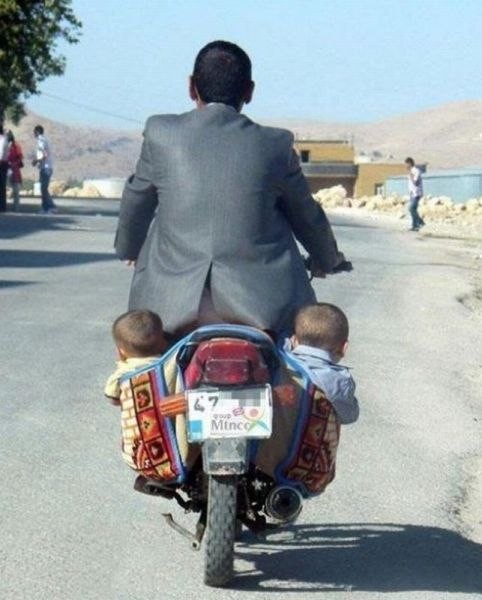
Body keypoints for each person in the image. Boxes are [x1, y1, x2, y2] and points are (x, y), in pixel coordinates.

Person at [115, 40, 348, 340]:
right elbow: (305, 213)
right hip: (262, 310)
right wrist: (327, 258)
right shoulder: (275, 144)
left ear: (191, 87)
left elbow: (137, 199)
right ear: (249, 91)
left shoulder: (161, 133)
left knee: (139, 362)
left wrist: (129, 249)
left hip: (169, 310)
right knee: (300, 358)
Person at [287, 302, 359, 425]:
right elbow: (349, 416)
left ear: (294, 340)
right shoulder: (340, 381)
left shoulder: (279, 356)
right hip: (304, 436)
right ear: (344, 348)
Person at [104, 309, 167, 405]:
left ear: (120, 352)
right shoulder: (170, 362)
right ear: (163, 343)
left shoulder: (120, 375)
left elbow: (114, 400)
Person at [32, 124, 57, 214]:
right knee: (44, 189)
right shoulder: (44, 140)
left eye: (34, 132)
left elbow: (44, 154)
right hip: (45, 167)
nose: (34, 134)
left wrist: (36, 161)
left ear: (37, 131)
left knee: (43, 188)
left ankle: (49, 208)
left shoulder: (41, 140)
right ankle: (48, 207)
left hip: (46, 168)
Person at [405, 157, 424, 231]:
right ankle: (415, 226)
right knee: (413, 210)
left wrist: (411, 175)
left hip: (417, 193)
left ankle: (420, 222)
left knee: (411, 209)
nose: (406, 166)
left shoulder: (416, 171)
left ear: (410, 163)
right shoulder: (411, 171)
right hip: (412, 194)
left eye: (406, 164)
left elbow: (416, 182)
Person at [7, 131, 23, 212]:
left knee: (16, 190)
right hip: (6, 168)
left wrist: (14, 164)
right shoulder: (5, 145)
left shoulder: (16, 146)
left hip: (14, 169)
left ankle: (16, 208)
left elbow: (20, 157)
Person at [0, 124, 9, 212]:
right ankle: (2, 206)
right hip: (3, 163)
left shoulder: (2, 139)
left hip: (2, 163)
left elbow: (1, 152)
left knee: (2, 185)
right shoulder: (4, 139)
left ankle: (2, 206)